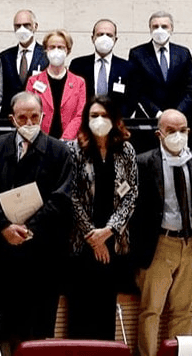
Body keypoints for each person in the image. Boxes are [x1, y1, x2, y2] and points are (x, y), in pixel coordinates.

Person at [0, 91, 74, 353]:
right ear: (12, 119)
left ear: (43, 116)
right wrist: (4, 227)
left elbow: (61, 198)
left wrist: (30, 228)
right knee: (0, 329)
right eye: (22, 117)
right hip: (1, 252)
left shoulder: (59, 151)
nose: (29, 122)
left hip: (40, 253)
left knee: (34, 333)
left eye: (34, 116)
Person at [130, 109, 192, 356]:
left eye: (182, 130)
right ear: (159, 134)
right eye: (171, 131)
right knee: (151, 310)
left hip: (191, 243)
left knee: (183, 311)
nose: (177, 135)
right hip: (160, 243)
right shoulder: (143, 162)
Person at [64, 96, 138, 340]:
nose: (99, 120)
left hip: (113, 243)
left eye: (104, 115)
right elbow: (71, 196)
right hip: (82, 244)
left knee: (105, 313)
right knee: (80, 314)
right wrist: (93, 237)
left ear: (115, 119)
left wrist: (108, 231)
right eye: (94, 115)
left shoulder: (126, 150)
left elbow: (131, 194)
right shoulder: (74, 150)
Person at [127, 11, 192, 119]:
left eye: (164, 27)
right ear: (150, 29)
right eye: (155, 27)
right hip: (149, 118)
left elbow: (190, 88)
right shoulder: (137, 54)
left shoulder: (183, 53)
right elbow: (136, 89)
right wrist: (157, 114)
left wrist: (176, 113)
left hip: (178, 118)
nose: (160, 30)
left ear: (171, 29)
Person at [25, 29, 86, 141]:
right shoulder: (33, 81)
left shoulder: (79, 83)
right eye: (52, 47)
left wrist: (65, 139)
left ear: (68, 50)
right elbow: (28, 112)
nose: (56, 51)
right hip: (40, 140)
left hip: (69, 142)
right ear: (46, 50)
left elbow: (80, 115)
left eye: (60, 47)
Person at [69, 19, 133, 116]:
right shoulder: (77, 65)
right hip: (85, 119)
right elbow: (72, 97)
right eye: (100, 34)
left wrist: (116, 119)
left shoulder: (127, 67)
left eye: (109, 35)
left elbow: (131, 100)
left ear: (115, 40)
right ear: (93, 38)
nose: (104, 38)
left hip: (115, 120)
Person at [0, 9, 48, 114]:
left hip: (36, 114)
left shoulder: (46, 55)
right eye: (18, 26)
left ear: (35, 26)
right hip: (9, 115)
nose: (22, 29)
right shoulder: (4, 57)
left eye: (26, 25)